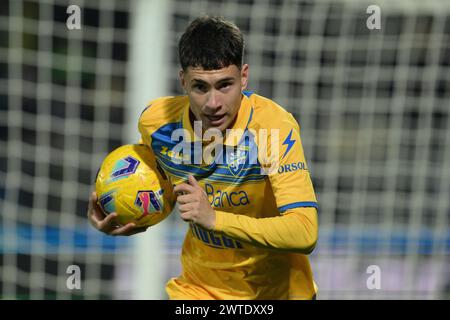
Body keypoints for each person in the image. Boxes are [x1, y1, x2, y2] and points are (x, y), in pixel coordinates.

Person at [88, 16, 318, 300]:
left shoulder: (271, 130)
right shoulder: (157, 123)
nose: (213, 104)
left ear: (244, 77)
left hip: (276, 293)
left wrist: (214, 219)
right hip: (198, 290)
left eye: (225, 85)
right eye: (200, 87)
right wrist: (129, 215)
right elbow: (165, 187)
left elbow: (304, 232)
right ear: (183, 81)